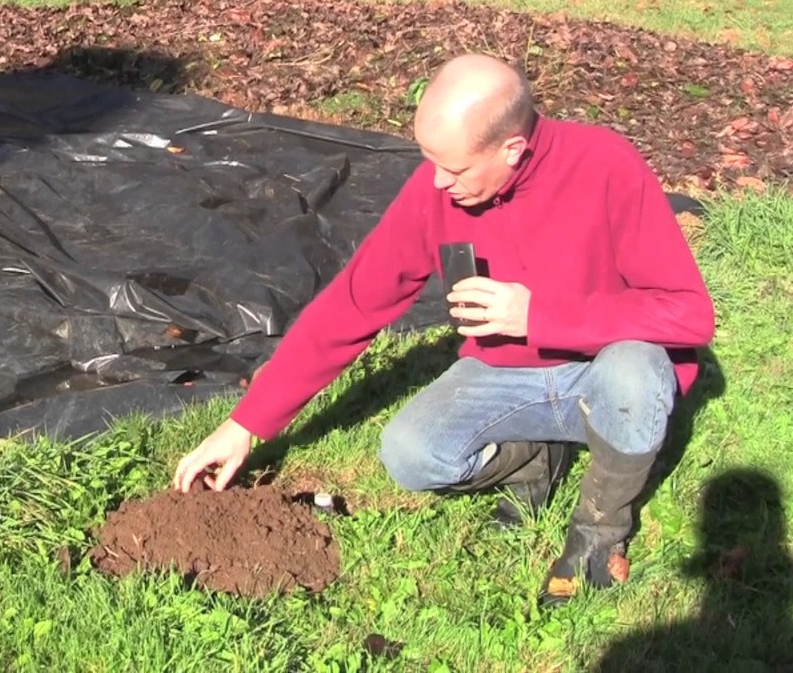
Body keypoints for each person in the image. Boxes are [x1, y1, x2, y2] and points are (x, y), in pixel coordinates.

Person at [171, 53, 716, 605]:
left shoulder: (605, 166)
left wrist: (538, 315)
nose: (438, 181)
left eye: (454, 169)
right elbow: (356, 301)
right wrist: (249, 421)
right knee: (410, 453)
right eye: (431, 161)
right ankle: (535, 456)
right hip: (509, 377)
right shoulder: (438, 192)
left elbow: (689, 313)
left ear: (512, 149)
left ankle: (598, 534)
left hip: (602, 374)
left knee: (636, 371)